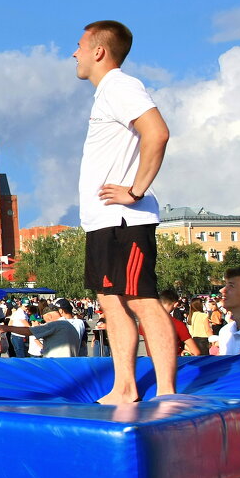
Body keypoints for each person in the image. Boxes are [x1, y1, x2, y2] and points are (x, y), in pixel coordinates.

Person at [73, 20, 175, 403]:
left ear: (99, 51)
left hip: (124, 220)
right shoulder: (106, 95)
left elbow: (158, 132)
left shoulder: (120, 86)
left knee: (140, 299)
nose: (75, 52)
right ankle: (125, 387)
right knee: (110, 301)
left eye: (80, 45)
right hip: (103, 221)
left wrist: (136, 190)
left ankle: (165, 391)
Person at [0, 304, 82, 357]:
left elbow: (29, 331)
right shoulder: (69, 325)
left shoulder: (56, 324)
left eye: (46, 321)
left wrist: (7, 328)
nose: (46, 323)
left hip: (57, 365)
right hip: (69, 363)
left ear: (49, 316)